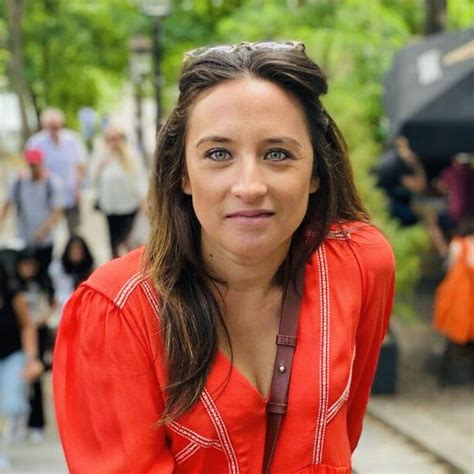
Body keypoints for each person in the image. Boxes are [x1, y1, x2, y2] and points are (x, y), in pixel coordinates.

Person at [53, 41, 395, 473]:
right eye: (218, 154)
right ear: (183, 173)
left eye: (277, 154)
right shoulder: (117, 313)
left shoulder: (359, 263)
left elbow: (341, 437)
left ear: (316, 172)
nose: (249, 186)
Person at [0, 260, 43, 469]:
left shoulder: (13, 295)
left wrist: (31, 359)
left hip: (13, 355)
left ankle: (18, 418)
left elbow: (27, 326)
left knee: (12, 403)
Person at [0, 148, 63, 283]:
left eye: (36, 164)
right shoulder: (19, 182)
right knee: (23, 275)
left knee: (44, 274)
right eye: (31, 164)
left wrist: (43, 231)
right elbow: (7, 203)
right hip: (24, 238)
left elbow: (57, 211)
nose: (33, 168)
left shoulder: (51, 183)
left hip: (45, 240)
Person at [15, 248, 55, 443]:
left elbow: (52, 303)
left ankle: (37, 423)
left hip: (39, 333)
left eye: (31, 264)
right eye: (25, 264)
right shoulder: (14, 286)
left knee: (37, 381)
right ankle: (19, 421)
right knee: (19, 380)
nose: (28, 268)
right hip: (19, 336)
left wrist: (45, 316)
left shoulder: (42, 283)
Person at [27, 108, 88, 235]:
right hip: (48, 195)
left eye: (57, 126)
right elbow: (31, 168)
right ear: (45, 126)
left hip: (71, 193)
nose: (55, 130)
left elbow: (81, 165)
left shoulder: (72, 140)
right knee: (49, 231)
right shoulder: (35, 142)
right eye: (51, 127)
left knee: (74, 231)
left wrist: (79, 187)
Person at [90, 126, 147, 257]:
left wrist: (143, 199)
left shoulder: (131, 154)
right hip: (110, 207)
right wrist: (101, 163)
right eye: (108, 139)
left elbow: (139, 178)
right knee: (114, 241)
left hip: (129, 205)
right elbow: (92, 178)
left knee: (128, 239)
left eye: (115, 138)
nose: (112, 142)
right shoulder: (101, 155)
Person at [48, 235, 94, 328]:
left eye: (79, 249)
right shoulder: (57, 268)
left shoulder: (90, 271)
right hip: (60, 308)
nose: (76, 252)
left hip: (82, 310)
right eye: (73, 249)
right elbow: (56, 292)